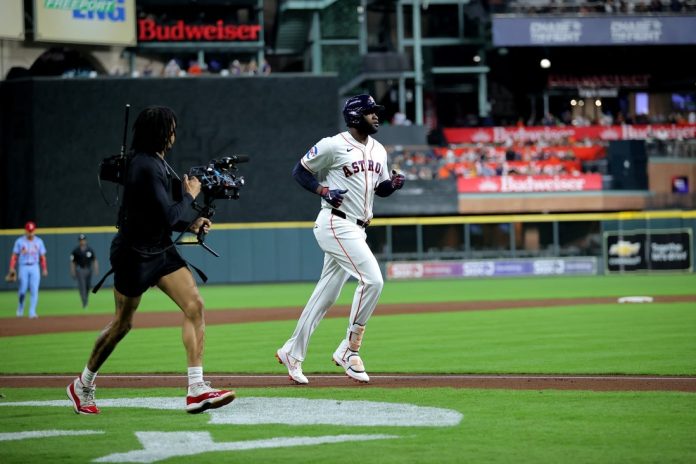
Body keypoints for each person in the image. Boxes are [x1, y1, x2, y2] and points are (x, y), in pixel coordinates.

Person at [66, 106, 235, 415]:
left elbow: (158, 216)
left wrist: (191, 224)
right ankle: (83, 384)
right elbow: (167, 214)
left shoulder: (156, 161)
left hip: (159, 248)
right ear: (160, 132)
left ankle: (196, 389)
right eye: (171, 128)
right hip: (133, 254)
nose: (174, 134)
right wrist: (190, 195)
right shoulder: (144, 165)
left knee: (195, 305)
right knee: (122, 324)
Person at [275, 94, 405, 384]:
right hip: (336, 222)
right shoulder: (333, 144)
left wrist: (393, 185)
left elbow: (380, 188)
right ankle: (350, 348)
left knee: (326, 295)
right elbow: (300, 171)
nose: (376, 116)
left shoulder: (378, 149)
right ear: (356, 116)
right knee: (373, 280)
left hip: (358, 228)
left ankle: (292, 351)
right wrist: (323, 191)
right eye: (371, 112)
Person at [6, 221, 48, 319]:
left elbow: (42, 257)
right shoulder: (19, 241)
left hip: (35, 266)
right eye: (29, 231)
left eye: (32, 231)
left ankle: (32, 312)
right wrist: (11, 267)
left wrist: (44, 268)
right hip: (23, 266)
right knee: (22, 290)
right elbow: (14, 256)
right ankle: (20, 309)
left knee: (34, 290)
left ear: (34, 231)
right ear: (25, 231)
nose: (30, 233)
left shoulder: (39, 241)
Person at [70, 234, 99, 308]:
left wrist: (96, 269)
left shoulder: (90, 250)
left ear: (86, 241)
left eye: (83, 240)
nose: (82, 241)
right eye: (81, 240)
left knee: (87, 286)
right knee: (82, 287)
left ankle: (85, 300)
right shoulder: (76, 251)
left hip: (89, 270)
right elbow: (73, 262)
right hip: (80, 270)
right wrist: (73, 272)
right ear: (79, 241)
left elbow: (94, 260)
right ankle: (84, 302)